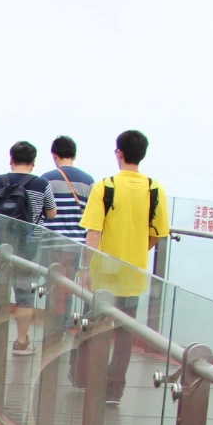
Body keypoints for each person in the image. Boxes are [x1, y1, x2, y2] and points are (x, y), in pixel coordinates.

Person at [78, 129, 168, 405]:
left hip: (103, 272)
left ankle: (88, 380)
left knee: (95, 326)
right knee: (124, 331)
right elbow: (157, 233)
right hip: (133, 272)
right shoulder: (154, 188)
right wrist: (137, 252)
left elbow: (93, 233)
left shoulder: (105, 186)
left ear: (119, 152)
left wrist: (85, 269)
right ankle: (115, 390)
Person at [0, 141, 58, 355]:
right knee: (24, 292)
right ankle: (21, 342)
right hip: (29, 246)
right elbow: (51, 213)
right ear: (33, 162)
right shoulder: (42, 184)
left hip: (0, 245)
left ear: (11, 159)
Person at [42, 136, 94, 331]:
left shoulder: (47, 179)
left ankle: (53, 326)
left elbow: (41, 211)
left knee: (53, 284)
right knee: (69, 285)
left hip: (51, 241)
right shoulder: (88, 180)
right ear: (74, 155)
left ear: (54, 156)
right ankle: (63, 326)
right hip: (77, 242)